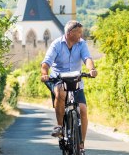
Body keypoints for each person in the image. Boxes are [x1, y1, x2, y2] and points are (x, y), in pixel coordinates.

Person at [40, 20, 97, 154]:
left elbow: (87, 58)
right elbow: (46, 63)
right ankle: (59, 127)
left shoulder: (81, 43)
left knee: (82, 109)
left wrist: (92, 69)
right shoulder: (56, 45)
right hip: (58, 79)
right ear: (70, 33)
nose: (81, 35)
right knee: (61, 93)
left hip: (76, 80)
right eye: (79, 32)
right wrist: (44, 74)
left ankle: (81, 144)